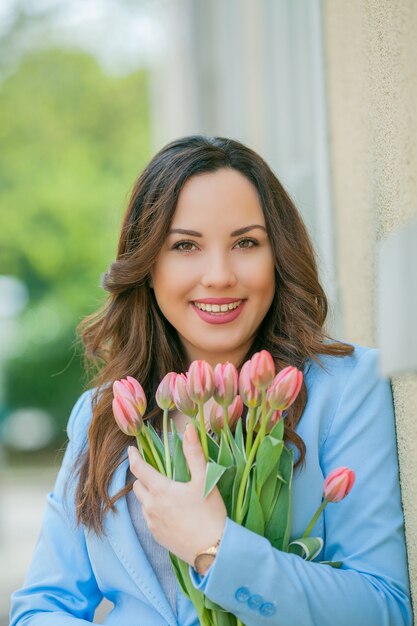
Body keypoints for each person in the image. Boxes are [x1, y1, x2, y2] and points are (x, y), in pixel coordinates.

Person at [10, 136, 412, 626]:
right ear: (148, 266)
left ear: (278, 255)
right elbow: (42, 607)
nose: (219, 275)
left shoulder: (346, 389)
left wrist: (214, 548)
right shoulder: (107, 413)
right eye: (185, 246)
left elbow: (382, 608)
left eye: (246, 243)